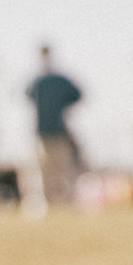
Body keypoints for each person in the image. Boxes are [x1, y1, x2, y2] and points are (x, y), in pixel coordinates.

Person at [27, 44, 83, 206]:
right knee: (44, 167)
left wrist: (63, 106)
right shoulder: (37, 82)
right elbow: (28, 95)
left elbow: (77, 94)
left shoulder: (60, 80)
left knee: (63, 166)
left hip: (60, 130)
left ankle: (68, 200)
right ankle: (48, 201)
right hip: (42, 131)